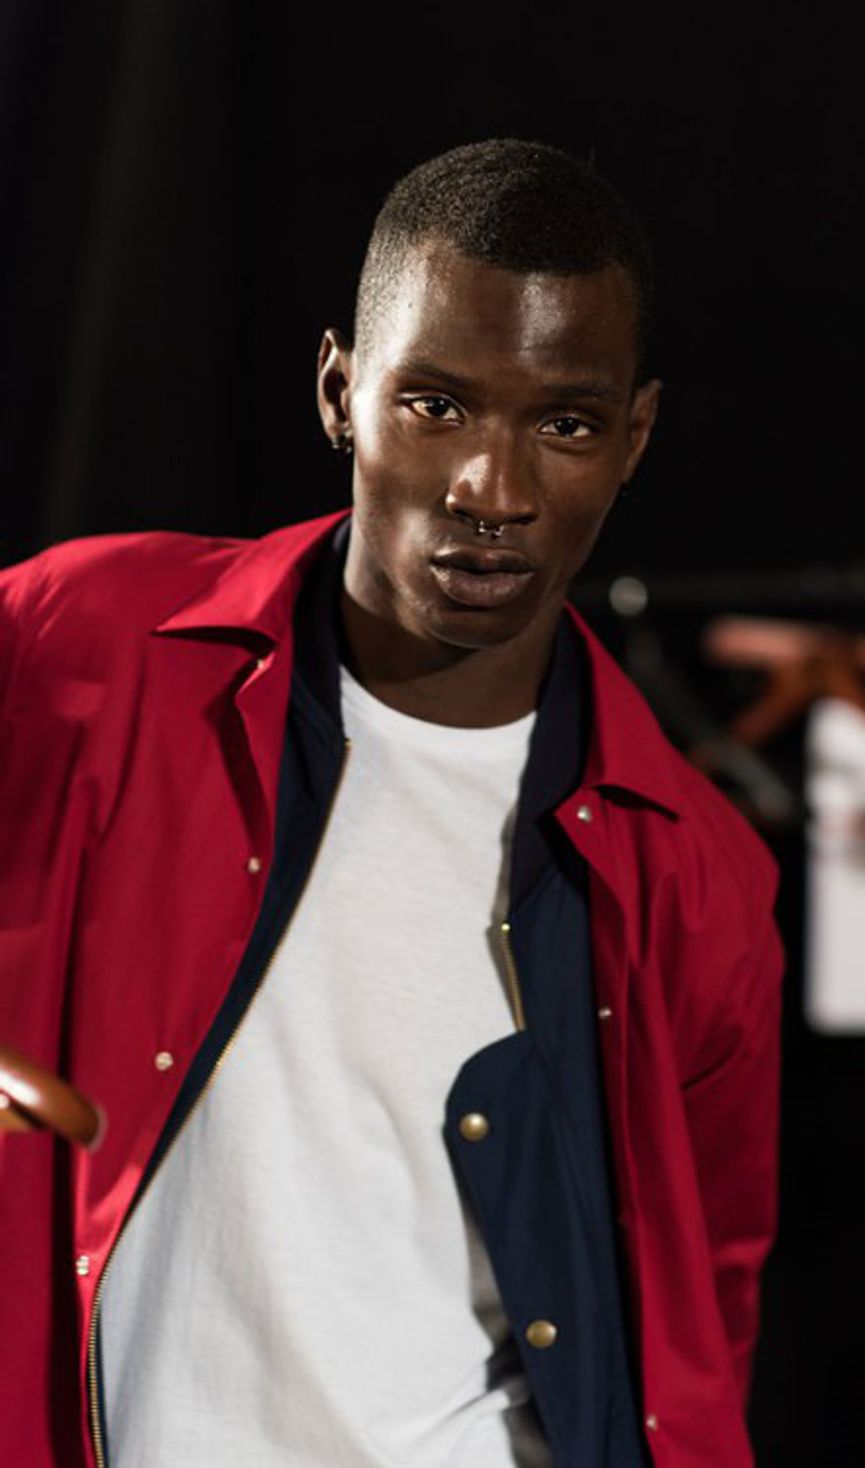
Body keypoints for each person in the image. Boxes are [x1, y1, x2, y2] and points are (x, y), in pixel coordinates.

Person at [0, 139, 782, 1468]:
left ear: (633, 440)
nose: (494, 490)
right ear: (339, 392)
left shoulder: (692, 874)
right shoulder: (81, 645)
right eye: (436, 406)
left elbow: (693, 1325)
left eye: (566, 425)